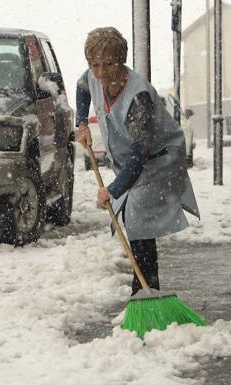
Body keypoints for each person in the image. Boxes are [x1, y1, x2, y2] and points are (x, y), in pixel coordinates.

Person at [75, 27, 199, 296]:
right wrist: (81, 123)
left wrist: (113, 189)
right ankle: (145, 290)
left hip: (159, 160)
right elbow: (82, 87)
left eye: (108, 64)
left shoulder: (138, 96)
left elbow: (138, 153)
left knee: (138, 220)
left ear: (121, 60)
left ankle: (145, 290)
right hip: (134, 161)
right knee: (135, 223)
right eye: (95, 64)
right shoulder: (94, 78)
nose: (100, 72)